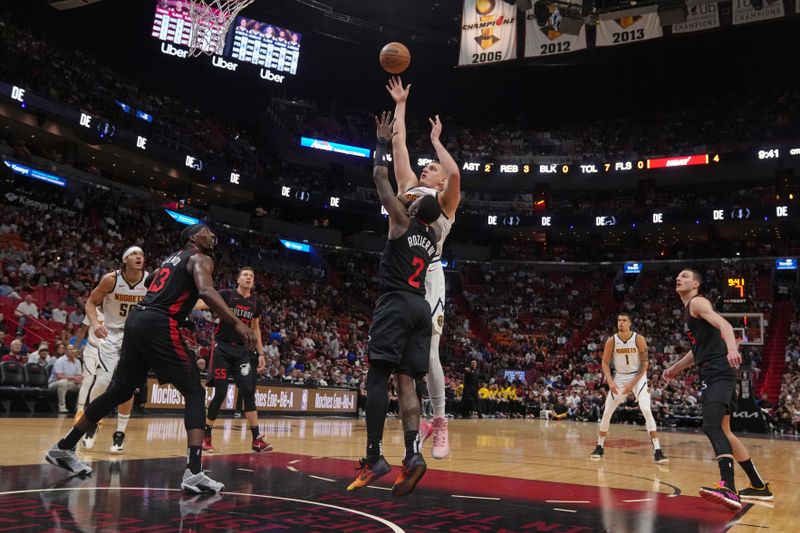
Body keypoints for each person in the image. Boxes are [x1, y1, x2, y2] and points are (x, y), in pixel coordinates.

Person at [45, 224, 256, 495]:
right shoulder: (201, 258)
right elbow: (205, 291)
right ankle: (193, 472)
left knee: (119, 391)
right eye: (207, 231)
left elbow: (151, 281)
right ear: (193, 237)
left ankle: (64, 447)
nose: (213, 235)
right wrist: (238, 324)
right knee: (193, 390)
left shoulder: (172, 258)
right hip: (159, 322)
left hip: (137, 320)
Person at [347, 112, 441, 497]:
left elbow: (379, 178)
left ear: (415, 208)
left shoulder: (402, 220)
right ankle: (414, 454)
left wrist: (382, 142)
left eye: (413, 198)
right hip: (422, 308)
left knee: (376, 378)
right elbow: (428, 210)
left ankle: (374, 457)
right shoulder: (432, 237)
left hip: (397, 302)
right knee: (408, 384)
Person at [387, 76, 461, 459]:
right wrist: (401, 104)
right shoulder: (411, 187)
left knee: (430, 354)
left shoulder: (445, 200)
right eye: (427, 165)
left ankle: (442, 420)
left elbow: (457, 175)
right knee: (399, 357)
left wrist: (436, 143)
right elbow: (398, 144)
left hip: (429, 277)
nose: (425, 168)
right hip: (398, 274)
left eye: (431, 166)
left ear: (442, 178)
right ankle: (410, 433)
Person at [664, 269, 773, 510]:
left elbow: (724, 324)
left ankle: (729, 489)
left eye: (684, 276)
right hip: (715, 369)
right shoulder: (690, 311)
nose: (678, 278)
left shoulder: (698, 302)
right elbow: (697, 351)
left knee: (711, 427)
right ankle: (758, 486)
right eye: (677, 276)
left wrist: (732, 349)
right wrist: (675, 368)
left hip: (718, 370)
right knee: (726, 431)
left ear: (695, 284)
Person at [80, 246, 149, 453]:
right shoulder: (111, 279)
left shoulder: (150, 280)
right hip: (111, 335)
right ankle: (92, 422)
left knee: (126, 386)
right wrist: (94, 324)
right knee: (102, 381)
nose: (139, 257)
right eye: (134, 254)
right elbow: (91, 302)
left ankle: (119, 433)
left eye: (141, 254)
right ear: (125, 260)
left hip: (135, 337)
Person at [201, 266, 271, 453]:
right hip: (222, 349)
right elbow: (204, 302)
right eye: (245, 275)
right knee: (221, 393)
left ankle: (256, 439)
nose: (249, 278)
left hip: (242, 351)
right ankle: (206, 436)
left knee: (248, 391)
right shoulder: (226, 294)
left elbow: (255, 329)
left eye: (251, 276)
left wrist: (261, 353)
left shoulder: (256, 302)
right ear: (238, 279)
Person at [590, 313, 668, 464]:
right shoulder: (611, 340)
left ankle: (658, 450)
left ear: (630, 323)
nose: (621, 323)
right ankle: (599, 447)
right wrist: (610, 381)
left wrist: (632, 384)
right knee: (606, 412)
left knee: (645, 409)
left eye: (624, 320)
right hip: (619, 377)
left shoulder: (638, 339)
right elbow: (605, 362)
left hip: (638, 377)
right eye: (619, 320)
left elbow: (645, 364)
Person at [48, 345, 83, 413]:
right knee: (64, 382)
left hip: (71, 383)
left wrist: (79, 379)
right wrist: (73, 377)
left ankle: (79, 407)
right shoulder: (60, 361)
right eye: (70, 349)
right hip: (55, 383)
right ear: (66, 351)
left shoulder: (77, 361)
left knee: (83, 384)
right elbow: (59, 376)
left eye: (74, 350)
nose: (73, 351)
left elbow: (79, 375)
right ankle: (62, 407)